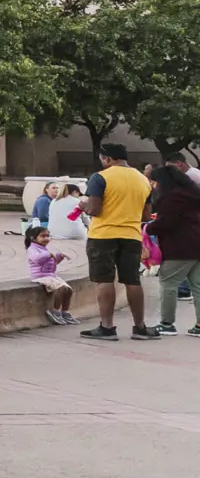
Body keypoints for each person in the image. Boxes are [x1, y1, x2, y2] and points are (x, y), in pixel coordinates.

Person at [79, 144, 158, 341]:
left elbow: (95, 210)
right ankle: (139, 327)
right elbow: (146, 214)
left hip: (103, 235)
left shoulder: (100, 177)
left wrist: (84, 205)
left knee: (104, 280)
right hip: (131, 235)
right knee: (132, 280)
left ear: (107, 158)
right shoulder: (143, 180)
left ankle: (107, 327)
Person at [145, 163, 200, 336]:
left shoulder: (171, 198)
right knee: (197, 286)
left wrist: (148, 228)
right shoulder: (192, 194)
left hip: (180, 246)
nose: (153, 186)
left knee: (168, 283)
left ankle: (167, 324)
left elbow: (166, 223)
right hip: (196, 243)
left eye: (154, 183)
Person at [27, 226, 77, 325]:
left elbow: (52, 263)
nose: (46, 238)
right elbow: (37, 259)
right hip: (40, 276)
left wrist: (59, 256)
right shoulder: (32, 249)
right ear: (33, 238)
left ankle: (65, 312)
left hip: (50, 275)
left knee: (68, 290)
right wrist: (49, 255)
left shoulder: (43, 249)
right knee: (62, 288)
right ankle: (55, 311)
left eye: (47, 236)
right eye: (43, 236)